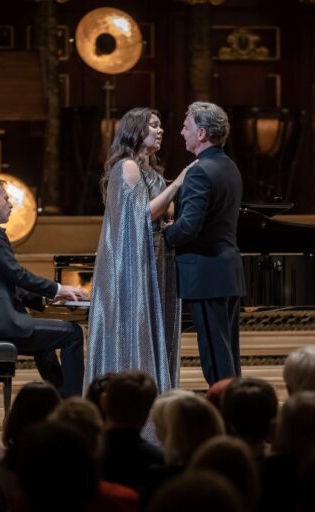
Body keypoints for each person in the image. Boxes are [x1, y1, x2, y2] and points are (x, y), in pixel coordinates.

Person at [86, 107, 192, 393]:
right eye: (154, 125)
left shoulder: (150, 170)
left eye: (160, 126)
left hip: (157, 256)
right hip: (139, 262)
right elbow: (142, 215)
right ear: (136, 130)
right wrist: (179, 183)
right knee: (139, 326)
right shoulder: (127, 166)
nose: (161, 131)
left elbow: (165, 213)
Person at [0, 178, 88, 397]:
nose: (10, 204)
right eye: (6, 198)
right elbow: (17, 274)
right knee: (73, 333)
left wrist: (45, 300)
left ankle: (61, 398)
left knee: (45, 345)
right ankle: (76, 402)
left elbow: (7, 281)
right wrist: (59, 289)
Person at [164, 101, 245, 386]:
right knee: (228, 355)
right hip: (226, 271)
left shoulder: (199, 170)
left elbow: (188, 228)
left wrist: (162, 235)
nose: (181, 132)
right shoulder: (229, 166)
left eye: (186, 127)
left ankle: (226, 415)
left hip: (206, 274)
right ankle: (234, 409)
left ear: (201, 134)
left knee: (215, 359)